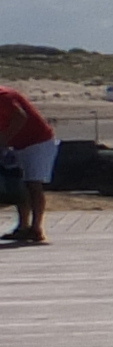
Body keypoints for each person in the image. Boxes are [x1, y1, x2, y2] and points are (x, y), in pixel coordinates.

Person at [0, 84, 53, 246]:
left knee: (33, 183)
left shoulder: (4, 95)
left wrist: (2, 141)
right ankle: (23, 227)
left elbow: (20, 117)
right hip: (16, 144)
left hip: (37, 141)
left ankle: (36, 228)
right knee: (18, 182)